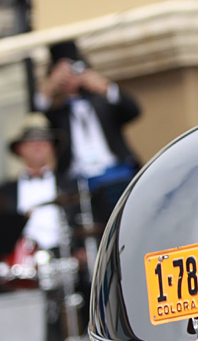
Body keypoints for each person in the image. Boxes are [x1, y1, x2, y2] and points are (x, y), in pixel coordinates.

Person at [35, 40, 141, 222]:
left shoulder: (102, 102)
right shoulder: (57, 112)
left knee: (128, 218)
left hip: (116, 174)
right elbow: (35, 118)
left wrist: (105, 87)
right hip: (78, 183)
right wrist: (50, 87)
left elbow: (133, 111)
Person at [0, 114, 71, 255]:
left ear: (52, 148)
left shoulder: (71, 186)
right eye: (31, 142)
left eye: (43, 141)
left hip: (63, 257)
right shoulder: (4, 193)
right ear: (20, 149)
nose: (37, 146)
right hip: (21, 263)